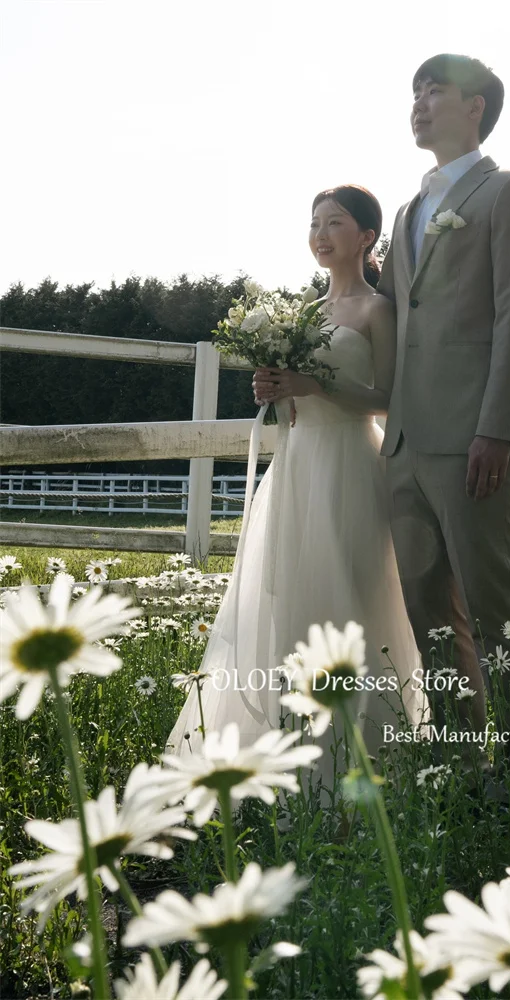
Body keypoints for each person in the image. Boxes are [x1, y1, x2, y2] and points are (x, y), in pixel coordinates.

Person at [167, 185, 430, 806]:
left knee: (354, 597)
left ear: (367, 236)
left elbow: (391, 400)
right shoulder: (304, 314)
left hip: (351, 463)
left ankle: (368, 758)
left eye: (334, 222)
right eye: (313, 223)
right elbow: (292, 406)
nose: (320, 233)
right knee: (292, 601)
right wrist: (276, 389)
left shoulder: (377, 310)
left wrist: (314, 382)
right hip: (297, 466)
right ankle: (293, 759)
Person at [377, 54, 510, 768]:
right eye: (414, 92)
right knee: (429, 614)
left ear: (475, 105)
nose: (418, 103)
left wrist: (495, 428)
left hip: (477, 440)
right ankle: (461, 761)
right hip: (406, 446)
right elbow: (390, 321)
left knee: (493, 610)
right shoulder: (408, 210)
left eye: (434, 91)